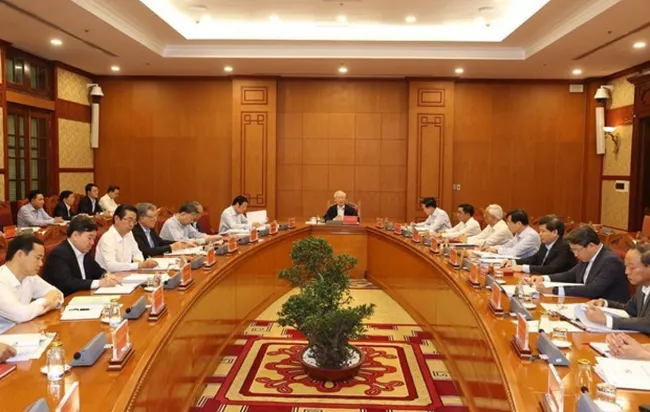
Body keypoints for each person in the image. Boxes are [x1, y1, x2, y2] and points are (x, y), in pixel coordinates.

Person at [530, 226, 629, 302]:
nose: (575, 254)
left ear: (591, 246)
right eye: (573, 250)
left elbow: (592, 289)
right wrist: (544, 278)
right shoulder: (587, 255)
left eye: (577, 250)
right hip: (584, 302)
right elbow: (570, 275)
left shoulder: (611, 261)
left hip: (606, 310)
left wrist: (553, 290)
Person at [42, 216, 122, 296]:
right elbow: (67, 283)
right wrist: (99, 283)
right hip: (65, 301)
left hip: (83, 297)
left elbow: (98, 271)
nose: (92, 243)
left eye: (93, 239)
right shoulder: (59, 254)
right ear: (75, 235)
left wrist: (107, 276)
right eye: (89, 238)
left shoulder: (84, 252)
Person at [583, 244, 650, 333]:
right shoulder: (642, 286)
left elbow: (647, 323)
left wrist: (607, 320)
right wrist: (604, 303)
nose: (626, 272)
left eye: (632, 267)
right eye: (626, 266)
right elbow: (630, 309)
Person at [0, 235, 63, 323]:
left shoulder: (30, 277)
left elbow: (58, 294)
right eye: (38, 258)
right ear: (20, 254)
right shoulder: (2, 280)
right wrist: (46, 300)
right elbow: (21, 315)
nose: (41, 264)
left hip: (24, 330)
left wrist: (49, 303)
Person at [503, 215, 576, 274]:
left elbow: (551, 268)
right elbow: (535, 258)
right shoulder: (545, 244)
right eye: (540, 231)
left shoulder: (565, 247)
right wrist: (513, 262)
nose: (539, 234)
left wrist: (523, 267)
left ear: (554, 232)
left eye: (543, 231)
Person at [95, 204, 159, 272]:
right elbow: (111, 266)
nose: (131, 225)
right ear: (117, 219)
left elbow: (137, 252)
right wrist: (138, 265)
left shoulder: (129, 234)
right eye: (129, 220)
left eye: (134, 221)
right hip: (109, 278)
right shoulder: (107, 238)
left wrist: (139, 261)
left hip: (126, 274)